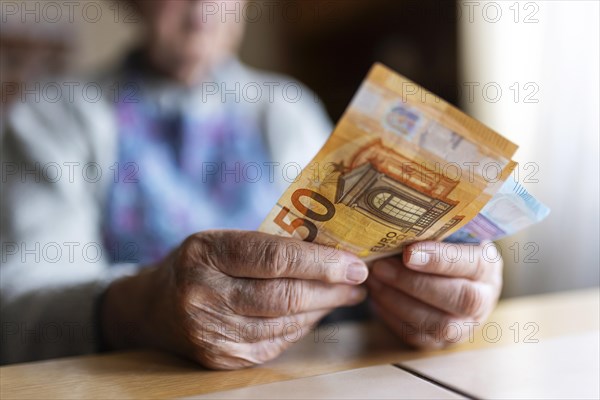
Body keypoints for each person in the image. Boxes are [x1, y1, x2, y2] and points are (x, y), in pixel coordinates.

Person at [0, 0, 502, 368]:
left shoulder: (285, 108)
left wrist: (440, 289)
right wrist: (148, 305)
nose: (203, 7)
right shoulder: (52, 118)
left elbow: (361, 264)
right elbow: (21, 313)